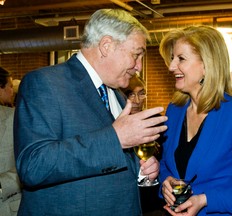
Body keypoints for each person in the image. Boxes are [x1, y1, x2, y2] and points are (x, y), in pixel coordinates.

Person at [13, 9, 168, 216]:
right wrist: (116, 138)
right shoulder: (45, 83)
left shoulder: (118, 96)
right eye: (136, 54)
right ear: (106, 46)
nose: (138, 66)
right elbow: (33, 165)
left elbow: (113, 163)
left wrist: (142, 172)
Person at [158, 25, 232, 216]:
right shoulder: (174, 110)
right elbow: (165, 163)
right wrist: (165, 181)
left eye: (181, 59)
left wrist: (205, 200)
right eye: (172, 58)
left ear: (206, 65)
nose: (171, 67)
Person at [120, 74, 164, 215]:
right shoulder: (113, 125)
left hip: (153, 200)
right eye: (131, 94)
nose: (137, 100)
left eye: (141, 94)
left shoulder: (156, 122)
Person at [0, 66, 22, 216]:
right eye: (9, 86)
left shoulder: (15, 118)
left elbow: (30, 163)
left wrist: (2, 184)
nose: (12, 91)